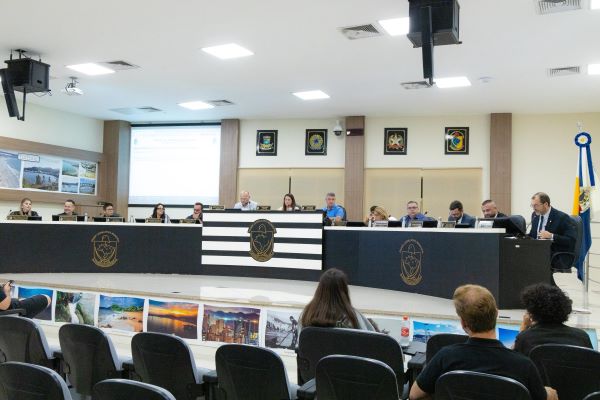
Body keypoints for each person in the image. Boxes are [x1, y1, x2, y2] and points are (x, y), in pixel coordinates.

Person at [409, 284, 557, 400]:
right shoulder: (523, 365)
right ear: (496, 314)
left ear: (463, 323)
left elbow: (414, 395)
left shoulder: (446, 357)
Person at [513, 283, 593, 356]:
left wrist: (523, 328)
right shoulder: (582, 337)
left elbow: (514, 360)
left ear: (531, 313)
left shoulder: (526, 338)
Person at [299, 268, 374, 331]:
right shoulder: (353, 316)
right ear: (344, 291)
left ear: (320, 290)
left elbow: (300, 341)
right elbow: (371, 339)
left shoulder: (307, 314)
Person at [528, 192, 576, 272]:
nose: (533, 208)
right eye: (532, 205)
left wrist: (551, 236)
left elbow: (571, 240)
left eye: (536, 205)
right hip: (537, 251)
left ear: (546, 204)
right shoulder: (535, 215)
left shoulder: (562, 217)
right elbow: (533, 235)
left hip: (554, 253)